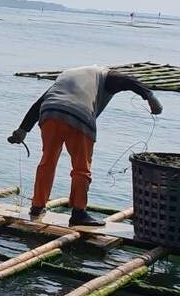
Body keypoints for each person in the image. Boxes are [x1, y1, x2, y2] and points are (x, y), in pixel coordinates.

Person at [9, 65, 162, 227]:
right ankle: (79, 213)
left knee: (48, 161)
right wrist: (150, 97)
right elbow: (126, 80)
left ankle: (37, 207)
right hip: (79, 115)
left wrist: (22, 130)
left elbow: (40, 103)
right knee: (81, 168)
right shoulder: (104, 75)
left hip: (50, 112)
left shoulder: (66, 76)